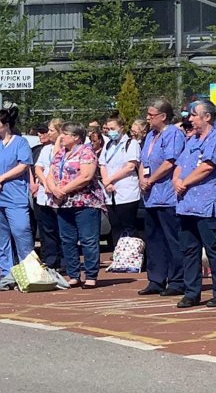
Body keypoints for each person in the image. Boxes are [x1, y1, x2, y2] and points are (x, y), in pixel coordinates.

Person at [172, 101, 216, 308]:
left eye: (194, 115)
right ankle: (191, 292)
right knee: (189, 249)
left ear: (207, 117)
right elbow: (179, 164)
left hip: (207, 204)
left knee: (214, 248)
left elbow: (207, 166)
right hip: (186, 204)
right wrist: (177, 181)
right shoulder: (192, 140)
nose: (191, 119)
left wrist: (185, 182)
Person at [47, 122, 106, 288]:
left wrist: (63, 190)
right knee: (67, 240)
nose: (62, 137)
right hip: (64, 203)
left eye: (65, 134)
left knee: (88, 240)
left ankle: (91, 275)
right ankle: (73, 275)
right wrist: (54, 189)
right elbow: (51, 173)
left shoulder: (86, 152)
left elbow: (86, 176)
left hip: (85, 202)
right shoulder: (60, 153)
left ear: (76, 137)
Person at [138, 99, 186, 296]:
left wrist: (151, 179)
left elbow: (170, 162)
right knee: (154, 238)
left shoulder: (173, 134)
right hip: (150, 197)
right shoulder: (150, 135)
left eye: (152, 115)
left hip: (167, 196)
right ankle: (156, 279)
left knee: (172, 239)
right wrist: (142, 178)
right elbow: (143, 161)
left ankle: (177, 280)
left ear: (163, 116)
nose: (148, 118)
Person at [0, 107, 35, 277]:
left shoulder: (20, 142)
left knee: (21, 231)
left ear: (5, 125)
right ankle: (7, 273)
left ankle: (28, 270)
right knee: (2, 238)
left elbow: (23, 165)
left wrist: (2, 178)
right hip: (0, 198)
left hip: (15, 196)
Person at [99, 113, 141, 249]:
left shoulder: (131, 143)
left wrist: (110, 179)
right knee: (115, 226)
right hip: (110, 193)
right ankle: (118, 255)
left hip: (127, 192)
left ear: (121, 128)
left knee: (128, 226)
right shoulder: (108, 145)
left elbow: (130, 166)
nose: (110, 132)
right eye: (108, 129)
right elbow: (102, 164)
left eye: (113, 128)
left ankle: (132, 256)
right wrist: (106, 181)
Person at [34, 118, 63, 270]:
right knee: (48, 230)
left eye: (52, 130)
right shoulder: (45, 149)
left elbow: (57, 164)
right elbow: (38, 168)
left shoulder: (67, 148)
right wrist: (45, 183)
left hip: (60, 195)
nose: (48, 133)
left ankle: (64, 260)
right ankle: (51, 262)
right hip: (44, 194)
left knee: (62, 230)